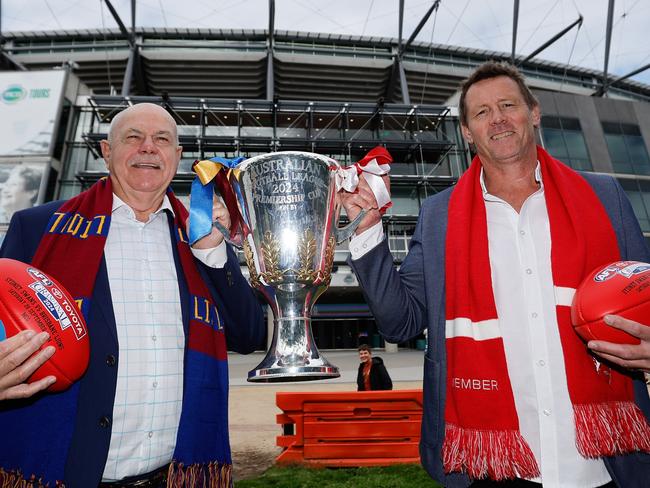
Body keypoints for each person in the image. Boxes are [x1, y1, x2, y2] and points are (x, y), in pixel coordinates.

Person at [341, 62, 650, 487]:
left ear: (534, 112)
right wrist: (367, 229)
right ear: (467, 132)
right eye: (482, 112)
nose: (498, 118)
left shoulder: (605, 197)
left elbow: (643, 296)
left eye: (508, 105)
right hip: (491, 467)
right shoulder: (439, 216)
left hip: (606, 461)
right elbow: (402, 321)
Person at [0, 103, 265, 487]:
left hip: (173, 475)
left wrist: (213, 254)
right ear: (107, 151)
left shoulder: (199, 237)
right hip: (67, 473)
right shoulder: (37, 229)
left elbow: (249, 336)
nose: (148, 148)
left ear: (177, 156)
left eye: (162, 139)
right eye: (133, 137)